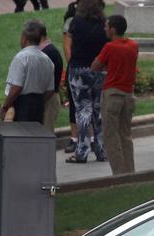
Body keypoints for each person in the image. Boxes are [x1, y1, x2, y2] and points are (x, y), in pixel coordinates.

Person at [92, 15, 139, 175]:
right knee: (125, 135)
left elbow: (95, 66)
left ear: (112, 29)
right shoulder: (133, 45)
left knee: (111, 137)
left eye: (106, 26)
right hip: (128, 95)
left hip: (112, 95)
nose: (104, 28)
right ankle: (130, 172)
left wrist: (106, 64)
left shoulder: (110, 47)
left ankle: (119, 175)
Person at [66, 0, 109, 164]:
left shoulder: (76, 22)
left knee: (83, 111)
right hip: (99, 70)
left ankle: (82, 151)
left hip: (79, 70)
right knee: (98, 111)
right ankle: (101, 150)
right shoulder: (104, 23)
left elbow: (71, 40)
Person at [0, 20, 54, 125]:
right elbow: (50, 90)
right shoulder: (47, 60)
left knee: (21, 136)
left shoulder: (21, 58)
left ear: (24, 38)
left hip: (22, 105)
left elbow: (16, 87)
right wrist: (39, 102)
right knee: (35, 136)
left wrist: (5, 106)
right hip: (39, 105)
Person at [38, 24, 64, 132]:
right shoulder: (47, 51)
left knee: (45, 133)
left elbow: (49, 82)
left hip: (49, 98)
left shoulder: (48, 52)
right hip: (48, 97)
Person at [63, 0, 80, 153]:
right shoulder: (71, 20)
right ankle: (74, 139)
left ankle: (94, 139)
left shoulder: (99, 19)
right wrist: (72, 65)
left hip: (94, 66)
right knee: (74, 104)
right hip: (76, 67)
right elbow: (67, 45)